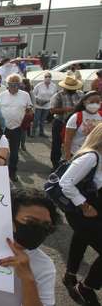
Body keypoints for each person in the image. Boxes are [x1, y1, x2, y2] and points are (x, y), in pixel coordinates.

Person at [59, 123, 102, 305]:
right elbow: (65, 182)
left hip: (93, 209)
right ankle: (85, 288)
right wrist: (84, 206)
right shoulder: (91, 157)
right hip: (83, 210)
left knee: (81, 239)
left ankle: (70, 276)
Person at [0, 74, 33, 182]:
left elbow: (29, 108)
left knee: (15, 153)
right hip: (3, 128)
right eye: (11, 85)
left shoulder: (25, 95)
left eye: (16, 84)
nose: (14, 87)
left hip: (17, 128)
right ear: (7, 85)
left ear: (20, 84)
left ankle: (12, 173)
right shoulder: (2, 95)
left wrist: (29, 115)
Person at [50, 76, 84, 169]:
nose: (72, 90)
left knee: (74, 143)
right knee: (57, 144)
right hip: (60, 122)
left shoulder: (80, 95)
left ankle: (72, 164)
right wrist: (67, 109)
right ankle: (55, 165)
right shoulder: (58, 95)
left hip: (76, 124)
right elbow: (52, 110)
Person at [64, 91, 102, 160]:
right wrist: (67, 156)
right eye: (92, 102)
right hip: (78, 154)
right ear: (84, 102)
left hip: (96, 155)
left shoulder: (101, 115)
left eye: (98, 102)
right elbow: (68, 139)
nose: (95, 104)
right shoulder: (76, 117)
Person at [32, 72, 58, 137]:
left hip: (47, 105)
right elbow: (33, 94)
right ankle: (33, 132)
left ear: (51, 78)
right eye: (46, 77)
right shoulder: (39, 85)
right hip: (38, 105)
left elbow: (54, 95)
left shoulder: (53, 86)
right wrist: (38, 100)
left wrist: (48, 101)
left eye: (49, 77)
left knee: (43, 120)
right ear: (44, 78)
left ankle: (41, 132)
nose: (47, 78)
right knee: (36, 119)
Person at [19, 79, 35, 151]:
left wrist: (31, 112)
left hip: (25, 114)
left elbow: (32, 103)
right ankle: (16, 144)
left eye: (22, 83)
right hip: (17, 114)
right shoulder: (18, 91)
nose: (21, 85)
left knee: (23, 130)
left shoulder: (29, 92)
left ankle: (22, 144)